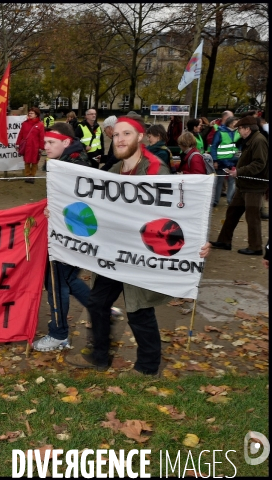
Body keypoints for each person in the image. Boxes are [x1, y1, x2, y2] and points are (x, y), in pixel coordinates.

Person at [65, 117, 211, 376]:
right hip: (113, 254)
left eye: (127, 134)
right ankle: (99, 356)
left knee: (139, 310)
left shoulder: (156, 170)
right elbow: (96, 210)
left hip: (141, 255)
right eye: (117, 134)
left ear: (140, 137)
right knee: (98, 303)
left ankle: (147, 367)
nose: (120, 139)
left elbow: (179, 212)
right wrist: (59, 214)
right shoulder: (112, 173)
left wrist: (198, 240)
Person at [32, 122, 92, 352]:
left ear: (66, 142)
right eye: (45, 142)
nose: (45, 146)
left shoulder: (73, 165)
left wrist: (59, 212)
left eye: (50, 142)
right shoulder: (66, 161)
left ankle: (59, 334)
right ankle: (100, 310)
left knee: (56, 283)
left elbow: (81, 202)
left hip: (70, 234)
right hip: (69, 231)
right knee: (67, 280)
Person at [211, 115, 269, 255]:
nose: (239, 132)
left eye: (240, 129)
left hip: (253, 186)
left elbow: (259, 163)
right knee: (232, 212)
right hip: (245, 185)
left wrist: (239, 171)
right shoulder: (251, 140)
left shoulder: (259, 141)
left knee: (252, 216)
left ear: (247, 129)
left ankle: (255, 247)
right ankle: (224, 241)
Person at [211, 116, 239, 207]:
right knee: (219, 181)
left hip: (234, 161)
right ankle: (215, 201)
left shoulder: (238, 132)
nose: (238, 124)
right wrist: (215, 160)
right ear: (231, 124)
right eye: (236, 122)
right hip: (222, 161)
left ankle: (230, 200)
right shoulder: (220, 132)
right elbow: (214, 146)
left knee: (232, 181)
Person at [15, 107, 45, 184]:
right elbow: (20, 134)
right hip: (27, 146)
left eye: (32, 113)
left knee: (35, 162)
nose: (30, 114)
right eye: (29, 113)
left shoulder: (40, 125)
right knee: (27, 161)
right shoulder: (25, 124)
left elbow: (42, 137)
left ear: (36, 115)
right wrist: (17, 144)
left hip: (35, 146)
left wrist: (41, 147)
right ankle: (27, 176)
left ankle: (32, 176)